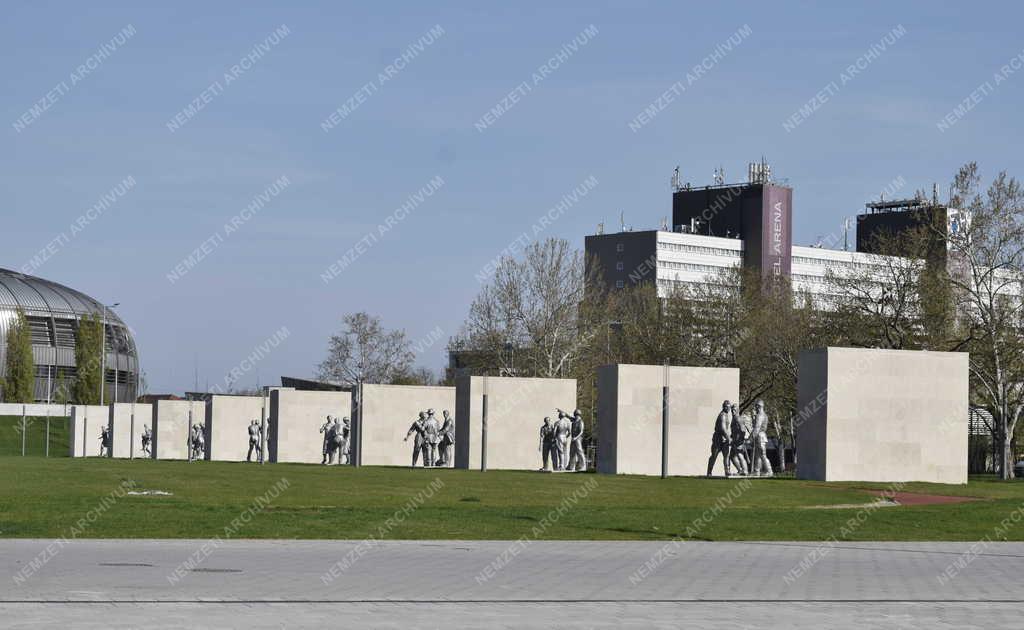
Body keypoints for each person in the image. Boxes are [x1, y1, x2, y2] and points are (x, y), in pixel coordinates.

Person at [706, 400, 732, 477]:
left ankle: (727, 471)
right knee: (714, 456)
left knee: (726, 455)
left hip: (724, 439)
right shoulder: (722, 415)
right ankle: (709, 472)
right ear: (723, 407)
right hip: (718, 439)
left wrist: (727, 438)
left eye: (729, 407)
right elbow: (723, 429)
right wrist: (729, 438)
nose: (728, 409)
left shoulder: (726, 415)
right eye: (727, 407)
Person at [751, 399, 773, 477]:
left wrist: (752, 437)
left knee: (762, 455)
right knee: (758, 455)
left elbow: (757, 427)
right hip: (761, 436)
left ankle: (769, 471)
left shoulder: (759, 415)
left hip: (760, 436)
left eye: (756, 406)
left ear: (759, 406)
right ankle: (757, 471)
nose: (755, 408)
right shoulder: (764, 415)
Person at [728, 404, 749, 476]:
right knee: (732, 456)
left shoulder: (737, 418)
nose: (732, 412)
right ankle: (740, 470)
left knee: (740, 456)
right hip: (734, 441)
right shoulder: (734, 418)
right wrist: (731, 437)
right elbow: (734, 430)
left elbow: (743, 430)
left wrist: (741, 440)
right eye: (732, 410)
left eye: (734, 410)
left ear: (737, 411)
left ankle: (745, 471)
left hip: (738, 441)